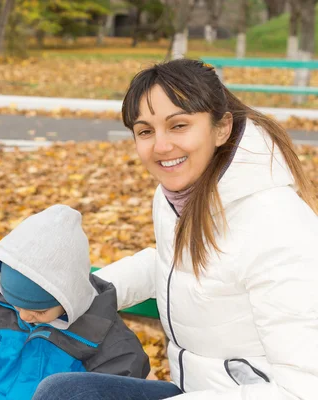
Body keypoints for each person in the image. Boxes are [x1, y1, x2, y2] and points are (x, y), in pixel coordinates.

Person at [33, 58, 318, 400]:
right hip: (198, 390)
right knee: (65, 392)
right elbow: (173, 266)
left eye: (179, 125)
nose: (161, 146)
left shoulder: (277, 225)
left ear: (222, 127)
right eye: (145, 131)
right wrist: (74, 297)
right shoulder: (180, 196)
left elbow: (304, 390)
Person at [0, 205, 150, 400]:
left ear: (68, 299)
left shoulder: (104, 339)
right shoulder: (1, 307)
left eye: (40, 311)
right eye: (17, 305)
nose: (24, 316)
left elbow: (123, 386)